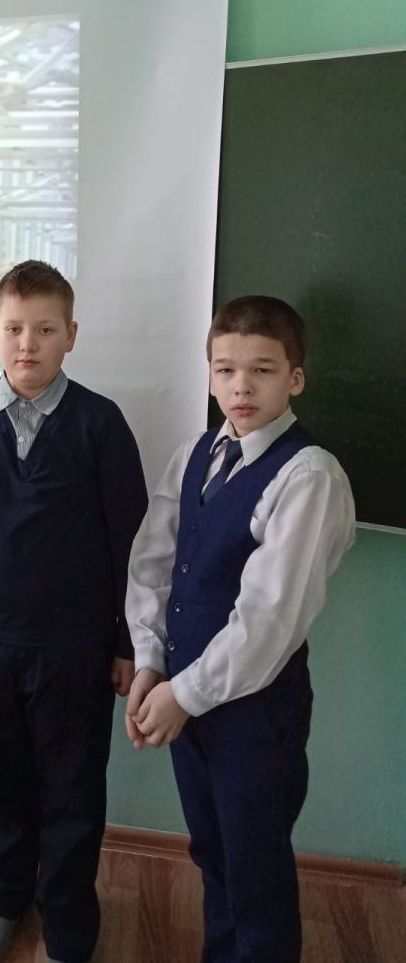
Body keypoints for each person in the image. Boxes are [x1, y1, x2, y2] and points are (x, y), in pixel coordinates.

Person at [0, 260, 147, 963]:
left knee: (72, 789)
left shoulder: (99, 423)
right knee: (0, 779)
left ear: (70, 335)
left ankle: (70, 920)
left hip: (74, 648)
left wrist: (129, 642)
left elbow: (131, 541)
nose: (29, 343)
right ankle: (6, 894)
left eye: (45, 330)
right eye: (15, 328)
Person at [124, 295, 355, 963]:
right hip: (184, 696)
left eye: (262, 370)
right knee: (213, 849)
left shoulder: (309, 476)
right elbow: (153, 561)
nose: (241, 387)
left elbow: (270, 621)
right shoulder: (196, 453)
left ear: (295, 378)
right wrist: (149, 659)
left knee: (255, 865)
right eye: (225, 370)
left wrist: (183, 694)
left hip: (253, 713)